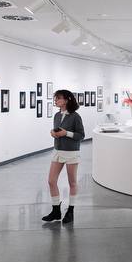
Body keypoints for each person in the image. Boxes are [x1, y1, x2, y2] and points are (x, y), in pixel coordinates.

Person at [42, 90, 84, 224]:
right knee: (51, 181)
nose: (55, 100)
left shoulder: (75, 116)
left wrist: (66, 133)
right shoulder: (56, 115)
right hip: (58, 151)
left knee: (72, 182)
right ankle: (56, 211)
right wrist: (53, 133)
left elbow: (81, 135)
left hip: (71, 153)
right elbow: (57, 130)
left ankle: (70, 211)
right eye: (55, 98)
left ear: (66, 100)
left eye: (58, 98)